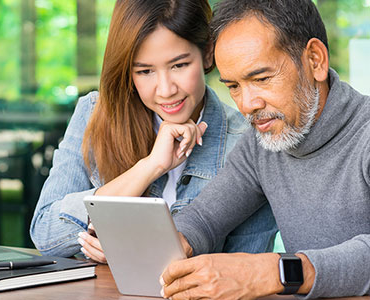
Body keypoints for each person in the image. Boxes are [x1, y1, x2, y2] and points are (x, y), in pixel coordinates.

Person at [29, 0, 277, 263]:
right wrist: (150, 167)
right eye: (145, 71)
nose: (166, 89)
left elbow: (244, 271)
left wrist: (137, 255)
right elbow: (45, 234)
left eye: (179, 65)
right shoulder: (95, 113)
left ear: (206, 53)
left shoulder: (249, 143)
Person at [159, 0, 370, 299]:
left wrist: (277, 272)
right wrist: (170, 243)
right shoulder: (262, 144)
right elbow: (204, 218)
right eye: (233, 86)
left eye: (261, 79)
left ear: (315, 61)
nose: (247, 105)